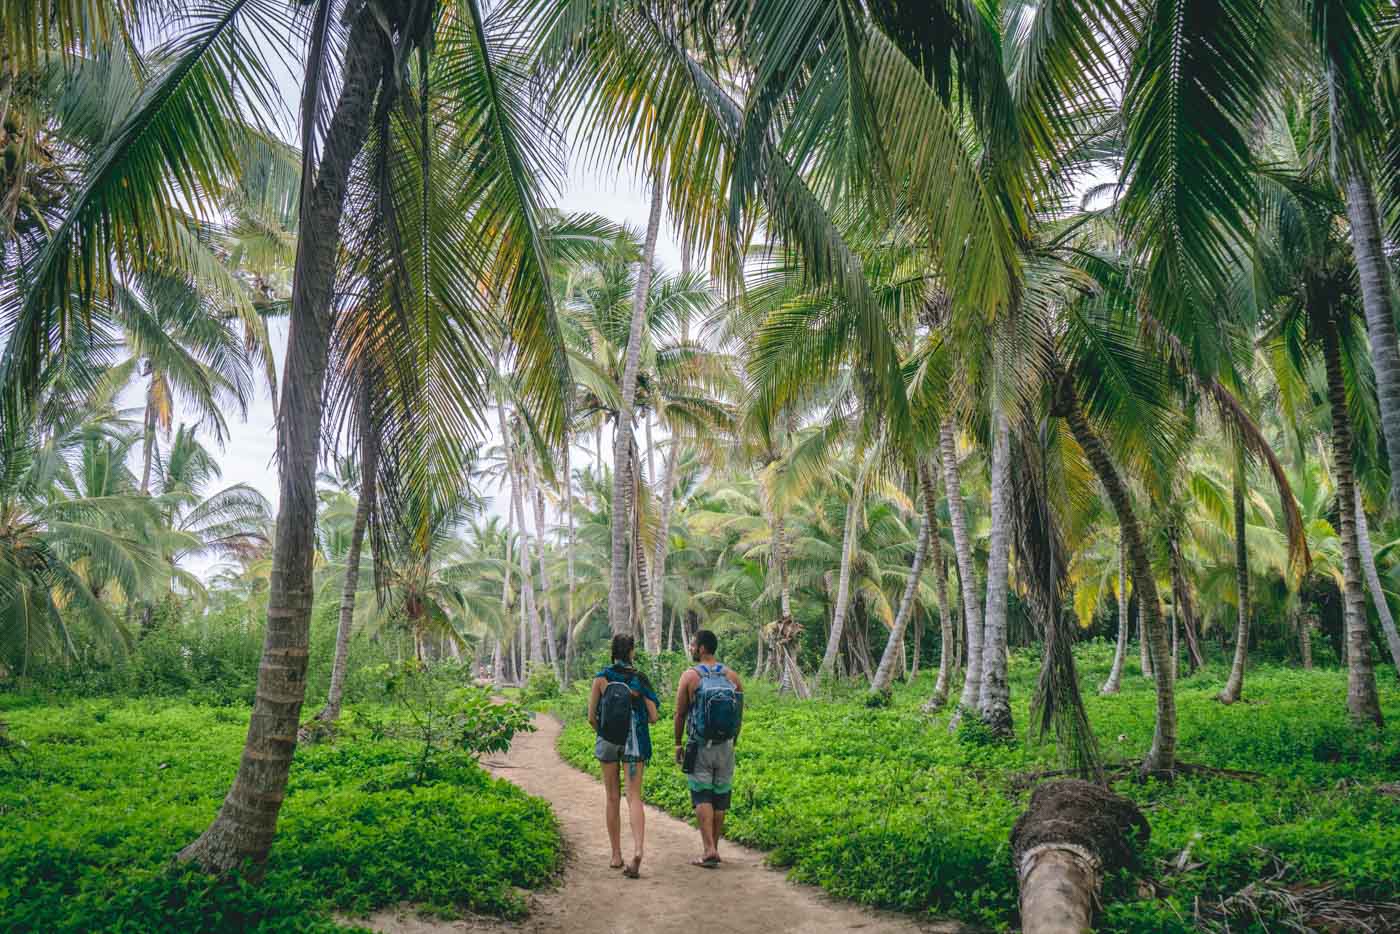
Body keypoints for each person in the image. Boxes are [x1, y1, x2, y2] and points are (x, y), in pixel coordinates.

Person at [588, 634, 659, 878]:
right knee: (634, 797)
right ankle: (638, 850)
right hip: (635, 743)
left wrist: (606, 733)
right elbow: (654, 716)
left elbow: (591, 717)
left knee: (612, 798)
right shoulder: (640, 678)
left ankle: (616, 855)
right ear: (631, 652)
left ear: (613, 652)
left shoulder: (601, 678)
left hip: (608, 741)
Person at [673, 628, 743, 868]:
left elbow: (680, 714)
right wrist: (734, 740)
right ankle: (715, 847)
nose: (691, 648)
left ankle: (709, 849)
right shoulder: (732, 676)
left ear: (702, 648)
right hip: (726, 746)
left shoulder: (690, 677)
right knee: (720, 796)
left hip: (700, 745)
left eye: (693, 645)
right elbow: (739, 715)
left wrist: (678, 744)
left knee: (702, 793)